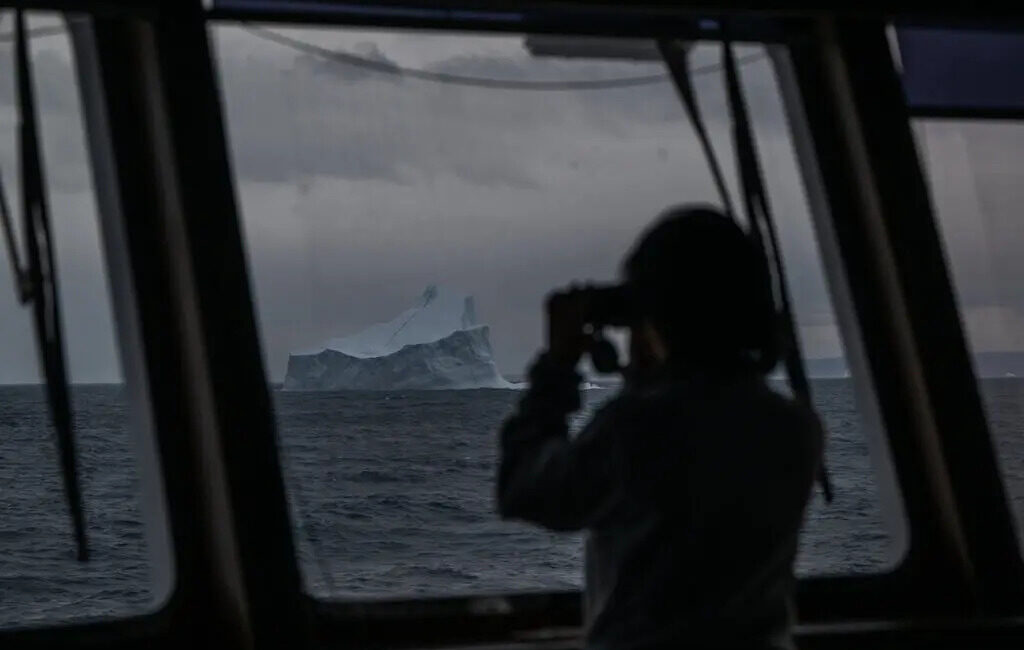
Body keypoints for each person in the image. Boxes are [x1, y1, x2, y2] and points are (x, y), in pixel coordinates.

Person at [496, 205, 823, 650]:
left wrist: (557, 366)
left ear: (660, 313)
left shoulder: (638, 429)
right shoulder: (794, 426)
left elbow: (523, 488)